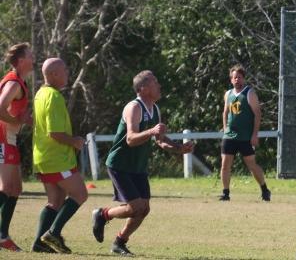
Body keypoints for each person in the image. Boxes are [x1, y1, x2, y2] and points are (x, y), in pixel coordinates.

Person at [91, 70, 194, 255]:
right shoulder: (134, 107)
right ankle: (102, 214)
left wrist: (179, 148)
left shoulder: (155, 108)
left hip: (137, 166)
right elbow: (130, 139)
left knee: (144, 209)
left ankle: (119, 242)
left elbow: (160, 140)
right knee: (135, 207)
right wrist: (152, 131)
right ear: (144, 88)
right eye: (155, 83)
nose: (159, 86)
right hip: (120, 164)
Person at [32, 57, 88, 254]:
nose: (67, 73)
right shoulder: (54, 97)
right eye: (64, 70)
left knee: (55, 201)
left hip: (43, 157)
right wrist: (75, 141)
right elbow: (54, 133)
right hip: (57, 159)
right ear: (54, 74)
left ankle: (39, 243)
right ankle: (53, 233)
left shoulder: (40, 93)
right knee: (80, 194)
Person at [219, 64, 271, 202]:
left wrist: (254, 134)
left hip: (245, 137)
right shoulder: (228, 94)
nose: (237, 80)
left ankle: (264, 189)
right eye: (235, 77)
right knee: (225, 164)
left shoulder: (249, 93)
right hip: (230, 136)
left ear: (243, 79)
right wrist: (225, 128)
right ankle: (225, 193)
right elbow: (225, 112)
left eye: (240, 77)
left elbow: (257, 114)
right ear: (231, 80)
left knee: (251, 165)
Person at [0, 43, 33, 252]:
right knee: (5, 188)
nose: (34, 58)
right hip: (3, 138)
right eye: (30, 55)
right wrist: (14, 119)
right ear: (21, 61)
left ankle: (3, 236)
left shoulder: (18, 82)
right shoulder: (14, 83)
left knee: (15, 189)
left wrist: (22, 119)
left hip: (9, 138)